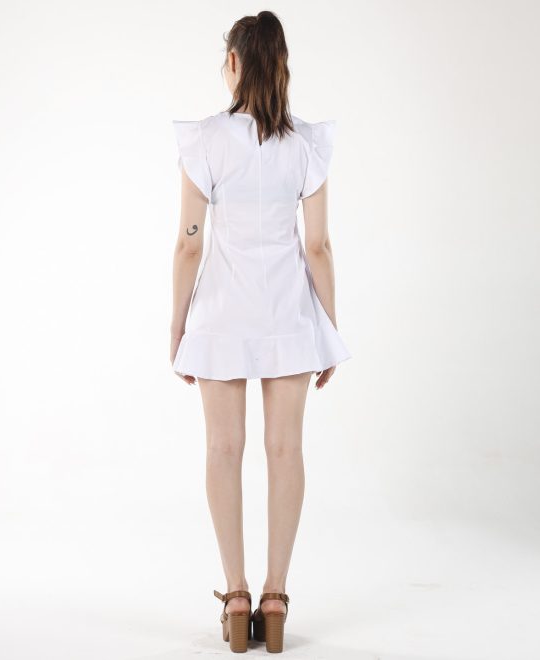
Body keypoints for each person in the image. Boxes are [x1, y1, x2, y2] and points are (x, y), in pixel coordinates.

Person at [169, 10, 351, 654]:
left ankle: (237, 595)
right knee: (285, 450)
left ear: (234, 62)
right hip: (287, 316)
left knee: (223, 449)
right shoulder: (305, 145)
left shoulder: (206, 141)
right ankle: (275, 598)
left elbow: (190, 244)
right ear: (281, 65)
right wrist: (328, 326)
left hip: (220, 315)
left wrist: (177, 326)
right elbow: (319, 246)